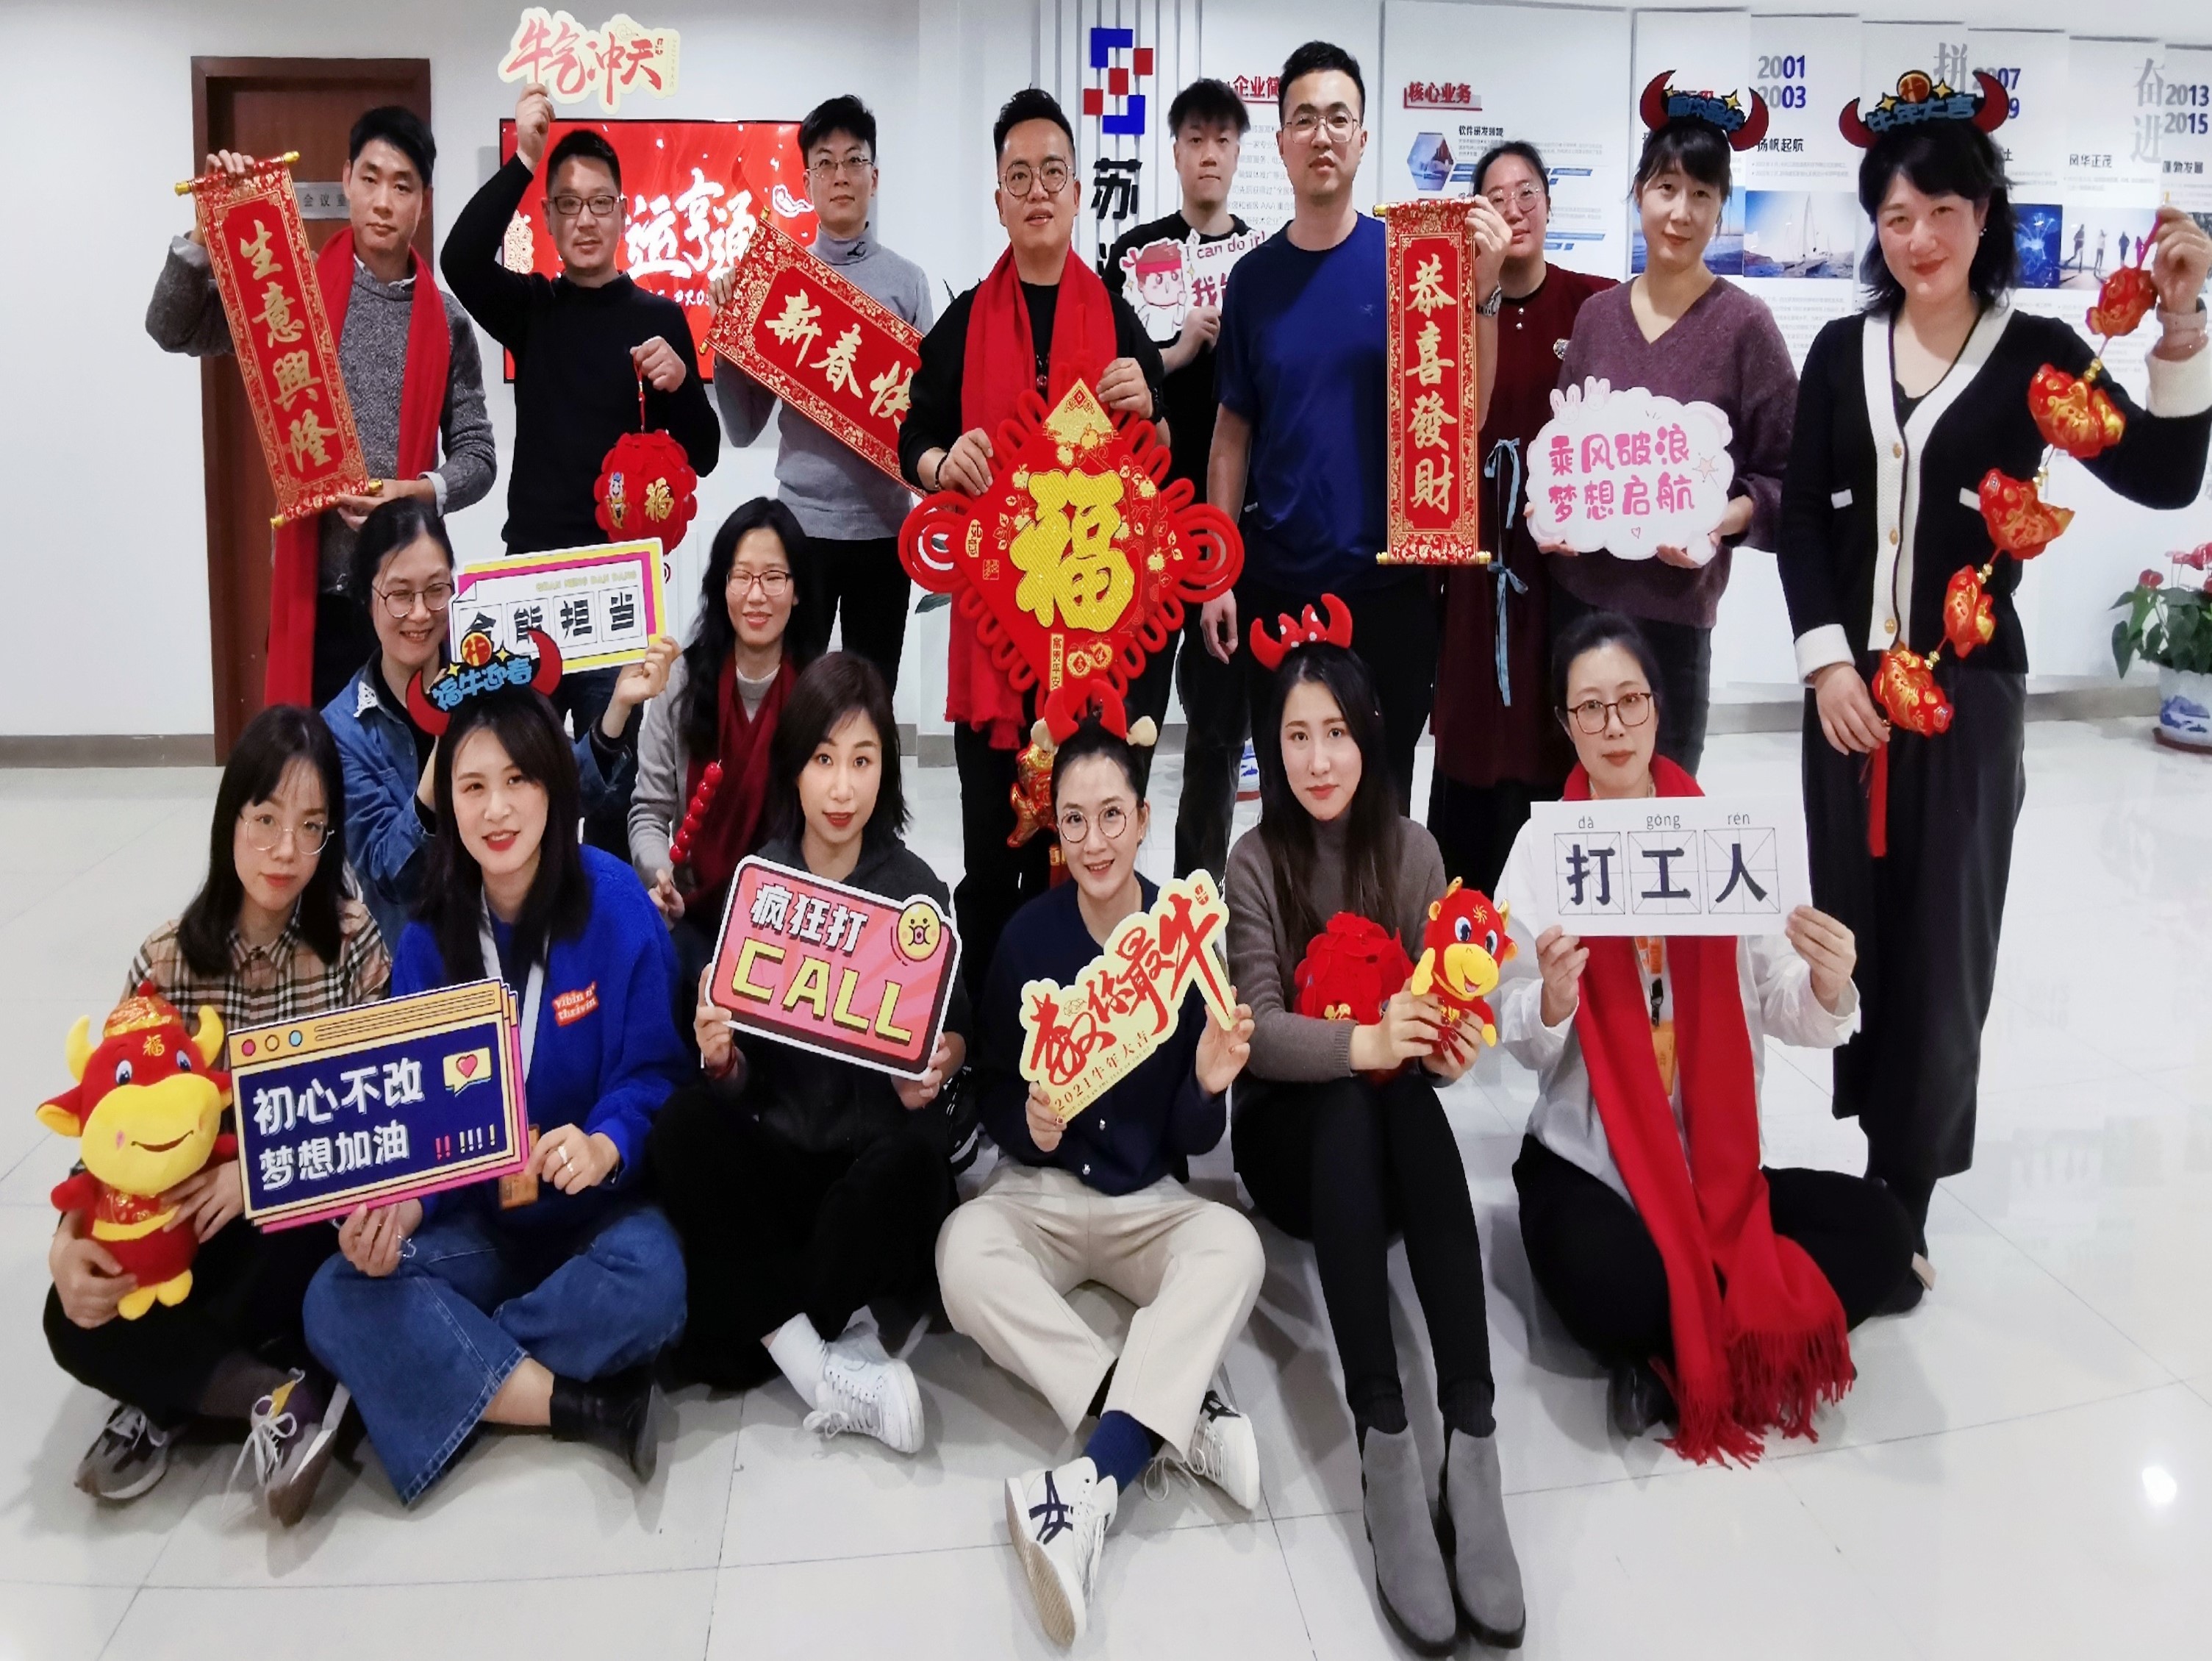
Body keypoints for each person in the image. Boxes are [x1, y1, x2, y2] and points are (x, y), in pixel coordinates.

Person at [1778, 95, 2211, 1266]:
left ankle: (1905, 1196)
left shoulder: (2037, 355)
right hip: (1846, 702)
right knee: (1851, 929)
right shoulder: (1839, 352)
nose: (1918, 238)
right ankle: (1871, 1154)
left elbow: (2165, 476)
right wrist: (1826, 663)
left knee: (1943, 943)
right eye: (1895, 215)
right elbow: (1803, 524)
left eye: (1942, 211)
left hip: (1967, 704)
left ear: (1985, 216)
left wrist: (2180, 325)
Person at [1497, 612, 1914, 1459]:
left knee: (1884, 1229)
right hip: (1592, 1164)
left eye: (1630, 701)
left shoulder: (1723, 839)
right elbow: (1520, 1036)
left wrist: (1828, 982)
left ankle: (1672, 1355)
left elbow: (1785, 1005)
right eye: (1590, 709)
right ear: (1565, 724)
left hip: (1713, 1169)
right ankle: (1728, 1320)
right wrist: (1552, 998)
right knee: (1612, 1285)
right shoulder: (1545, 847)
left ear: (1658, 706)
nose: (1614, 727)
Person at [303, 684, 690, 1504]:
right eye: (472, 786)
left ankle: (439, 1359)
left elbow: (656, 1072)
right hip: (481, 1223)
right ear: (448, 802)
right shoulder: (429, 934)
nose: (497, 809)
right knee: (335, 1293)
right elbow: (419, 1122)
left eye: (519, 780)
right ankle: (571, 1400)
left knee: (655, 1283)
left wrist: (605, 1144)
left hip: (597, 1220)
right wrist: (404, 1209)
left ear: (555, 785)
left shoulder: (616, 902)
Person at [1224, 611, 1523, 1651]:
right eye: (1297, 736)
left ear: (1370, 738)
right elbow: (1259, 1032)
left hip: (1392, 1151)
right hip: (1288, 1150)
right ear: (1272, 748)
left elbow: (1443, 1009)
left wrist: (1447, 1046)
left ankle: (1472, 1436)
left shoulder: (1413, 850)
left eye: (1338, 734)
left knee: (1403, 1098)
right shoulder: (1253, 859)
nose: (1318, 760)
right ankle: (1384, 1437)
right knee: (1358, 1093)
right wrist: (1368, 1041)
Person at [937, 714, 1262, 1649]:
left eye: (1112, 816)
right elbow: (993, 1089)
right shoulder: (1027, 940)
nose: (1094, 842)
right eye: (1074, 821)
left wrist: (1208, 1086)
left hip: (1148, 1201)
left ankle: (1092, 1478)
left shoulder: (1184, 940)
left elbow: (1195, 1140)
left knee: (1235, 1248)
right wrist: (1028, 1125)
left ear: (1144, 819)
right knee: (962, 1254)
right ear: (1057, 829)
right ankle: (1170, 1414)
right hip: (1043, 1194)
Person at [46, 705, 387, 1521]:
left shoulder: (350, 940)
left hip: (293, 1215)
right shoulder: (165, 961)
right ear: (230, 817)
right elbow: (108, 1124)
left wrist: (258, 1172)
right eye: (265, 819)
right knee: (70, 1316)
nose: (286, 850)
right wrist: (69, 1238)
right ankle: (280, 1397)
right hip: (185, 1224)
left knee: (325, 1268)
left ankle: (168, 1392)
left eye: (311, 827)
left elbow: (376, 1110)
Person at [649, 654, 967, 1455]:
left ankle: (756, 1326)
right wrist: (722, 1062)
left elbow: (956, 1032)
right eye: (824, 759)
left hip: (873, 1169)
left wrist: (938, 1065)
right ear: (794, 767)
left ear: (886, 770)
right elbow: (741, 1077)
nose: (841, 788)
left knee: (911, 1174)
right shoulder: (762, 884)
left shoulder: (917, 891)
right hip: (787, 1160)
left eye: (862, 761)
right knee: (682, 1123)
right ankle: (817, 1358)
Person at [898, 87, 1168, 998]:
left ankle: (1091, 1019)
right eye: (1020, 176)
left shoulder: (1116, 316)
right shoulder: (967, 319)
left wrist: (1150, 406)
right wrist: (943, 462)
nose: (1038, 190)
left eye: (1054, 172)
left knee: (1087, 841)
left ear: (1079, 192)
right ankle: (990, 1034)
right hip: (995, 633)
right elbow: (911, 435)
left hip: (1092, 633)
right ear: (999, 199)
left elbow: (1163, 455)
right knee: (991, 846)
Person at [1201, 41, 1509, 810]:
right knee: (1288, 805)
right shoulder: (1253, 281)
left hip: (1389, 590)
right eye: (1304, 119)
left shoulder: (1413, 263)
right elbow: (1231, 435)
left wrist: (1485, 293)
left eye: (1339, 118)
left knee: (1383, 806)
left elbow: (1464, 417)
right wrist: (1218, 575)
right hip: (1277, 585)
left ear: (1363, 138)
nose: (1322, 135)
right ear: (1281, 143)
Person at [148, 107, 495, 710]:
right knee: (316, 759)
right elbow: (170, 328)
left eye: (402, 186)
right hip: (316, 597)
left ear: (424, 201)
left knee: (413, 756)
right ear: (346, 180)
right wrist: (206, 230)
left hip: (408, 600)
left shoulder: (447, 321)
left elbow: (479, 456)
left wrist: (415, 492)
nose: (383, 202)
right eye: (370, 178)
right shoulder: (288, 292)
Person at [442, 82, 720, 814]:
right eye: (568, 204)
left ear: (624, 212)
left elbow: (705, 452)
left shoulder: (660, 317)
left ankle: (604, 892)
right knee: (517, 782)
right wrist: (523, 160)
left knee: (612, 797)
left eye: (601, 203)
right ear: (547, 217)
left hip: (618, 588)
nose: (586, 219)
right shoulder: (533, 310)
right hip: (530, 581)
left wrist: (681, 382)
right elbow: (460, 260)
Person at [1539, 91, 1797, 776]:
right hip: (1579, 605)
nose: (1680, 213)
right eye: (1665, 188)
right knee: (1579, 796)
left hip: (1674, 616)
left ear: (1721, 209)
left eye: (1701, 194)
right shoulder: (1597, 317)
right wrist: (1549, 508)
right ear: (1638, 195)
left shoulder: (1744, 326)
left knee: (1666, 800)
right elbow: (1565, 449)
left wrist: (1723, 519)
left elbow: (1787, 476)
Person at [326, 498, 671, 951]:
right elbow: (394, 876)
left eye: (436, 590)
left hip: (521, 935)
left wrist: (618, 709)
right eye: (400, 595)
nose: (421, 613)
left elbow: (561, 791)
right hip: (421, 953)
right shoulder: (342, 729)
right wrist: (448, 739)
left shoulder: (489, 667)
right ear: (366, 596)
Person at [1429, 141, 1616, 893]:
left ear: (1548, 203)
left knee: (1551, 713)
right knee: (1472, 723)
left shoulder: (1593, 305)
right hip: (1474, 558)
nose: (1513, 210)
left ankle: (1555, 903)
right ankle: (1462, 909)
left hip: (1559, 562)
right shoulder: (1444, 307)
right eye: (1496, 198)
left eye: (1526, 193)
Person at [706, 96, 932, 693]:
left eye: (854, 161)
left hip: (885, 530)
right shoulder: (778, 282)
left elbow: (926, 414)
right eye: (825, 163)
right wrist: (728, 342)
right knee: (794, 700)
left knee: (871, 698)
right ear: (806, 182)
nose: (840, 176)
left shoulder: (907, 282)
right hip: (801, 530)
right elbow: (742, 429)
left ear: (874, 178)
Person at [1103, 78, 1253, 840]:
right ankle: (1114, 875)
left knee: (1220, 727)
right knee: (1132, 716)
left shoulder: (1262, 261)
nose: (1209, 154)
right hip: (1142, 525)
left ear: (1239, 152)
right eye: (1195, 139)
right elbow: (1104, 382)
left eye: (1223, 140)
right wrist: (1179, 348)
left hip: (1231, 524)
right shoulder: (1135, 257)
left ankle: (1199, 886)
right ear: (1174, 153)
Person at [629, 498, 803, 995]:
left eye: (774, 577)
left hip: (788, 920)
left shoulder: (818, 690)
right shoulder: (681, 681)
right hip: (692, 906)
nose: (756, 595)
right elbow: (648, 811)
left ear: (797, 592)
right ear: (721, 585)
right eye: (740, 576)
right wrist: (661, 875)